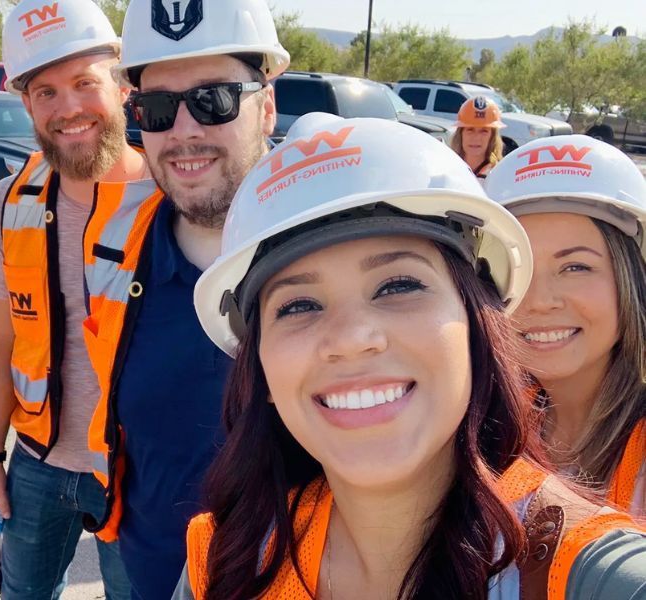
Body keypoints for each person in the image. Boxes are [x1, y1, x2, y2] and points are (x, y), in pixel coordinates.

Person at [176, 113, 646, 600]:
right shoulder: (225, 562)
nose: (353, 337)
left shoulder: (589, 575)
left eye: (398, 285)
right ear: (263, 375)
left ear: (479, 327)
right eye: (298, 305)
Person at [79, 1, 289, 598]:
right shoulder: (116, 244)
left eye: (214, 100)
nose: (185, 131)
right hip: (147, 573)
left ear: (266, 105)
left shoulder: (329, 245)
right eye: (159, 109)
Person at [0, 0, 149, 597]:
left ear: (121, 86)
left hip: (140, 470)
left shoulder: (172, 200)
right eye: (45, 92)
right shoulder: (10, 201)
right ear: (25, 103)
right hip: (38, 462)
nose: (67, 109)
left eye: (84, 83)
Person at [485, 135, 646, 514]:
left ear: (632, 281)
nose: (539, 301)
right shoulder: (486, 423)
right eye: (519, 270)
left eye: (575, 267)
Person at [450, 95, 505, 181]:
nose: (476, 138)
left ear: (492, 137)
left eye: (484, 131)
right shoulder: (447, 168)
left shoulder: (499, 175)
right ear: (461, 134)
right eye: (470, 129)